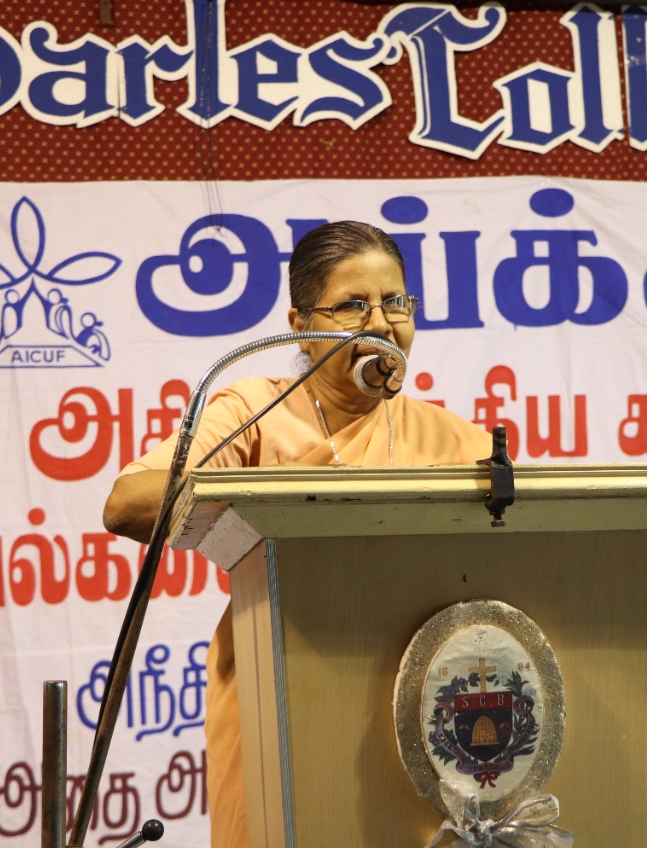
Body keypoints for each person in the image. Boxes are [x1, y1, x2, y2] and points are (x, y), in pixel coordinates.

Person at [102, 220, 493, 847]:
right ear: (302, 326)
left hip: (415, 702)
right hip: (275, 684)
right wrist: (283, 495)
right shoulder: (253, 412)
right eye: (353, 305)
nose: (381, 323)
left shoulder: (458, 439)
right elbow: (127, 504)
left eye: (395, 302)